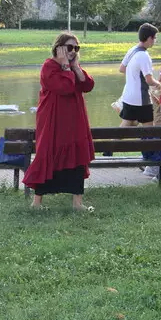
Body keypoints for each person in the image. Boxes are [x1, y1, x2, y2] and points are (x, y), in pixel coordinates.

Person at [22, 32, 96, 210]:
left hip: (74, 122)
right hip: (53, 121)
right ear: (58, 48)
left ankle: (77, 203)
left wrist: (76, 68)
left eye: (76, 48)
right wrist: (65, 68)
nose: (72, 52)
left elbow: (88, 86)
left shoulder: (71, 67)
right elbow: (64, 88)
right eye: (69, 47)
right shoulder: (49, 66)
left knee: (77, 157)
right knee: (48, 154)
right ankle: (37, 203)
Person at [117, 23, 161, 177]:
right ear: (149, 38)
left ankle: (110, 147)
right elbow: (149, 80)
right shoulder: (144, 55)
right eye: (155, 38)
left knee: (127, 122)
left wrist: (134, 77)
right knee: (149, 129)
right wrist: (160, 85)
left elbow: (122, 69)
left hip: (129, 95)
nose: (155, 41)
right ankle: (149, 161)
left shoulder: (133, 50)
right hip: (141, 99)